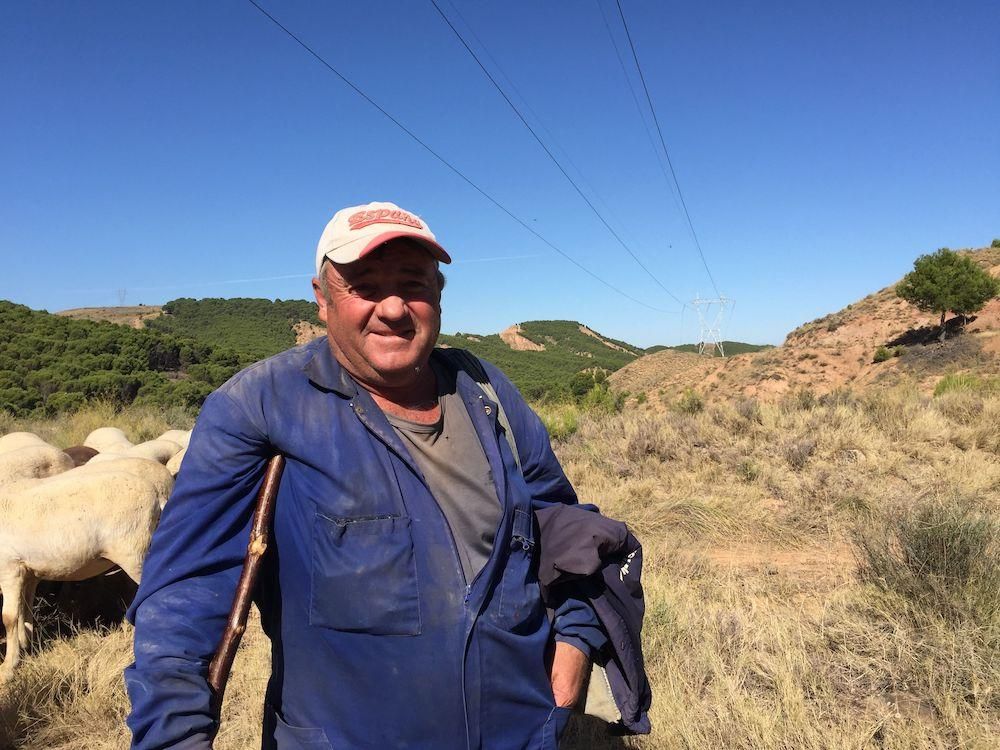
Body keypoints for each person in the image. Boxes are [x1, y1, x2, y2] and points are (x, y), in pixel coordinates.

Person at [125, 201, 607, 749]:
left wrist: (575, 642)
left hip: (520, 735)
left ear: (439, 292)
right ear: (322, 297)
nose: (394, 308)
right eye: (366, 286)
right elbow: (183, 599)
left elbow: (561, 525)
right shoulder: (260, 406)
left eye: (413, 283)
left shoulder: (485, 392)